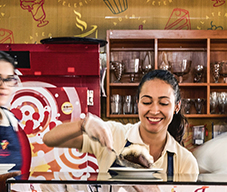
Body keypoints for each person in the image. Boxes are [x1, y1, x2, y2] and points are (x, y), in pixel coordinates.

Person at [44, 69, 198, 179]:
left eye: (164, 103)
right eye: (147, 102)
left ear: (177, 106)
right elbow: (49, 139)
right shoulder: (112, 134)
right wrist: (83, 124)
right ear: (137, 103)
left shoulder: (185, 161)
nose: (154, 110)